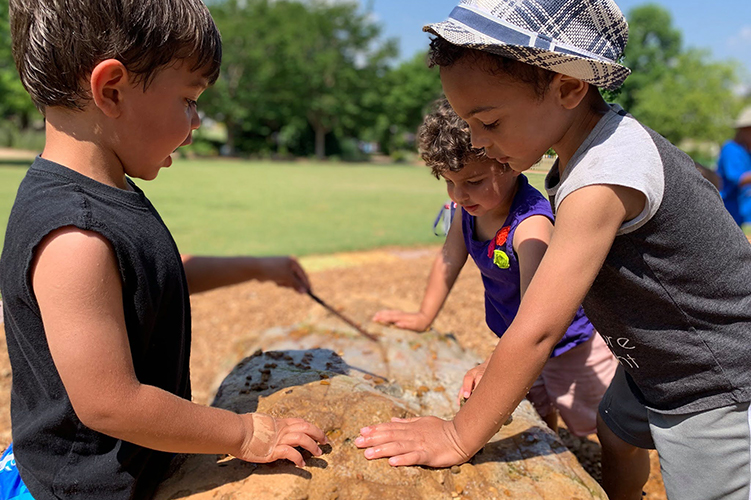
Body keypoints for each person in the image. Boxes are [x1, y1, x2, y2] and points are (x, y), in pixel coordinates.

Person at [355, 1, 751, 499]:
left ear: (567, 87)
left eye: (490, 122)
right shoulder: (586, 153)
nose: (477, 141)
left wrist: (458, 434)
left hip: (713, 376)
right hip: (656, 357)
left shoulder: (602, 176)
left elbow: (540, 325)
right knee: (615, 430)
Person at [0, 1, 326, 499]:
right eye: (189, 99)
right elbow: (110, 403)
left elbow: (145, 279)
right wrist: (243, 433)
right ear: (111, 91)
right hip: (88, 489)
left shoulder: (107, 191)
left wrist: (259, 267)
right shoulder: (74, 237)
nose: (196, 120)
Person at [372, 98, 616, 437]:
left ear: (509, 162)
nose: (458, 195)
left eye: (473, 182)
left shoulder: (531, 227)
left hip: (569, 345)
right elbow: (449, 259)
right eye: (449, 182)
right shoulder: (468, 210)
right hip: (516, 338)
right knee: (535, 411)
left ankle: (620, 479)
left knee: (597, 421)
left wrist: (494, 363)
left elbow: (540, 311)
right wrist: (423, 316)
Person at [717, 106, 751, 227]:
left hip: (744, 214)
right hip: (731, 213)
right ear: (745, 130)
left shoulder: (747, 150)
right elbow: (738, 179)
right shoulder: (731, 150)